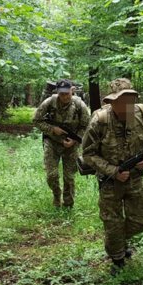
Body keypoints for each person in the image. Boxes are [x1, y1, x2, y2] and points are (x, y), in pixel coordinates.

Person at [81, 78, 143, 274]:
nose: (127, 105)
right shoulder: (100, 120)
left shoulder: (142, 113)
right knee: (112, 223)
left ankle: (120, 242)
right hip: (110, 183)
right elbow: (88, 154)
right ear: (112, 102)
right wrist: (113, 171)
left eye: (130, 100)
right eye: (122, 101)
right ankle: (117, 258)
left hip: (136, 178)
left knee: (140, 220)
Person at [33, 79, 90, 208]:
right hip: (52, 142)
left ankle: (68, 204)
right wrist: (53, 129)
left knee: (69, 177)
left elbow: (86, 126)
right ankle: (56, 195)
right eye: (61, 94)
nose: (64, 97)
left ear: (72, 91)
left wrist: (75, 140)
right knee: (51, 175)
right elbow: (36, 120)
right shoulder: (50, 102)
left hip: (72, 145)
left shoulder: (80, 105)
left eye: (67, 93)